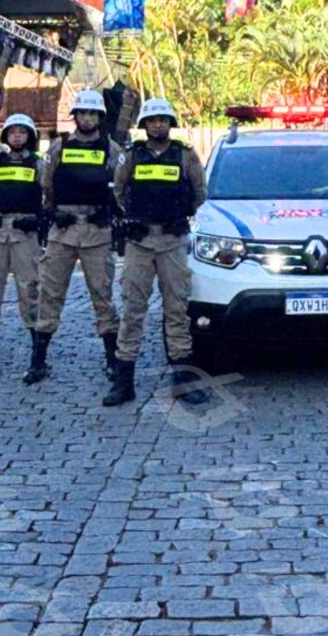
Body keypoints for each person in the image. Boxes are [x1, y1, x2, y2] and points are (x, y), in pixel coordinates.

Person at [109, 97, 206, 408]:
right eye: (153, 120)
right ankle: (124, 381)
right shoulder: (131, 156)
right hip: (139, 242)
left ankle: (182, 380)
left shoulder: (185, 156)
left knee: (176, 309)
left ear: (170, 123)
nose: (158, 124)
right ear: (145, 125)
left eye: (163, 120)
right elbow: (119, 191)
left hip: (172, 241)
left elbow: (199, 193)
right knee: (132, 309)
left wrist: (177, 216)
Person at [35, 90, 121, 390]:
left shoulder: (111, 148)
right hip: (63, 230)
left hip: (97, 231)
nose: (87, 118)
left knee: (102, 294)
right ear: (76, 117)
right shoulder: (59, 146)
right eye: (82, 113)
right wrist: (52, 211)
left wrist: (111, 212)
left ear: (100, 118)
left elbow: (120, 185)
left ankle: (113, 357)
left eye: (92, 114)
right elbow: (45, 181)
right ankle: (38, 357)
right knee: (50, 291)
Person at [0, 114, 46, 375]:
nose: (16, 136)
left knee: (29, 289)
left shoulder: (39, 165)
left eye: (22, 133)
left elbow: (48, 197)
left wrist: (37, 219)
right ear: (5, 137)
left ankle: (38, 349)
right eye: (12, 132)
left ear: (30, 137)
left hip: (24, 234)